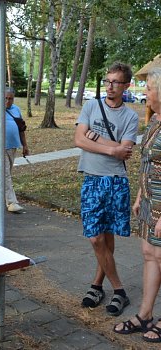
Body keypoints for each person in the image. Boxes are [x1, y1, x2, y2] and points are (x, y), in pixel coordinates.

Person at [74, 62, 139, 316]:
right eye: (107, 81)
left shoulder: (130, 116)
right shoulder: (91, 106)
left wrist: (97, 138)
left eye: (115, 82)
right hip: (92, 179)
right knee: (95, 238)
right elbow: (79, 139)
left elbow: (127, 151)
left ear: (126, 86)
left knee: (107, 237)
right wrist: (111, 148)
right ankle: (120, 291)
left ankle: (96, 285)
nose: (109, 86)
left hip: (115, 180)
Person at [113, 68, 161, 343]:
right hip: (149, 202)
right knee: (148, 255)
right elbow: (148, 162)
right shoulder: (155, 120)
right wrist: (140, 195)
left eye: (150, 89)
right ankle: (145, 314)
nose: (146, 94)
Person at [0, 87, 29, 212]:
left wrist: (25, 145)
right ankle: (12, 202)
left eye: (10, 99)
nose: (7, 101)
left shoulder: (16, 109)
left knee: (4, 173)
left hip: (13, 146)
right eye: (5, 98)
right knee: (5, 173)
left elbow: (21, 129)